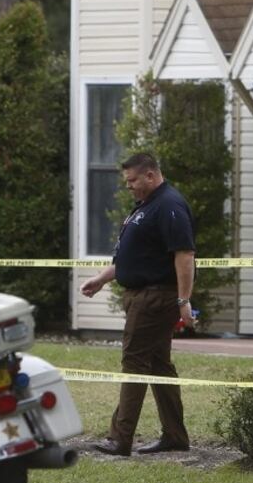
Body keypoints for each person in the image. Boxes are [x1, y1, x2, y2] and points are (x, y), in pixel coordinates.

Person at [81, 153, 196, 456]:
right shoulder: (147, 205)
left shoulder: (169, 205)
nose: (128, 186)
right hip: (143, 295)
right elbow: (135, 256)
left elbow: (184, 255)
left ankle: (120, 438)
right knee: (158, 366)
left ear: (150, 175)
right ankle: (175, 436)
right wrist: (102, 278)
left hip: (154, 297)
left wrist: (184, 300)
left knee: (134, 362)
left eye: (132, 180)